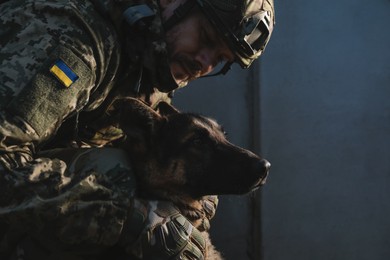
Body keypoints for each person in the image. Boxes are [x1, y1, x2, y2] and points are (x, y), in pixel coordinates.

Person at [0, 0, 275, 259]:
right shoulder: (74, 43)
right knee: (113, 171)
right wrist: (126, 217)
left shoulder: (146, 67)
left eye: (220, 59)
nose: (205, 63)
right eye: (206, 37)